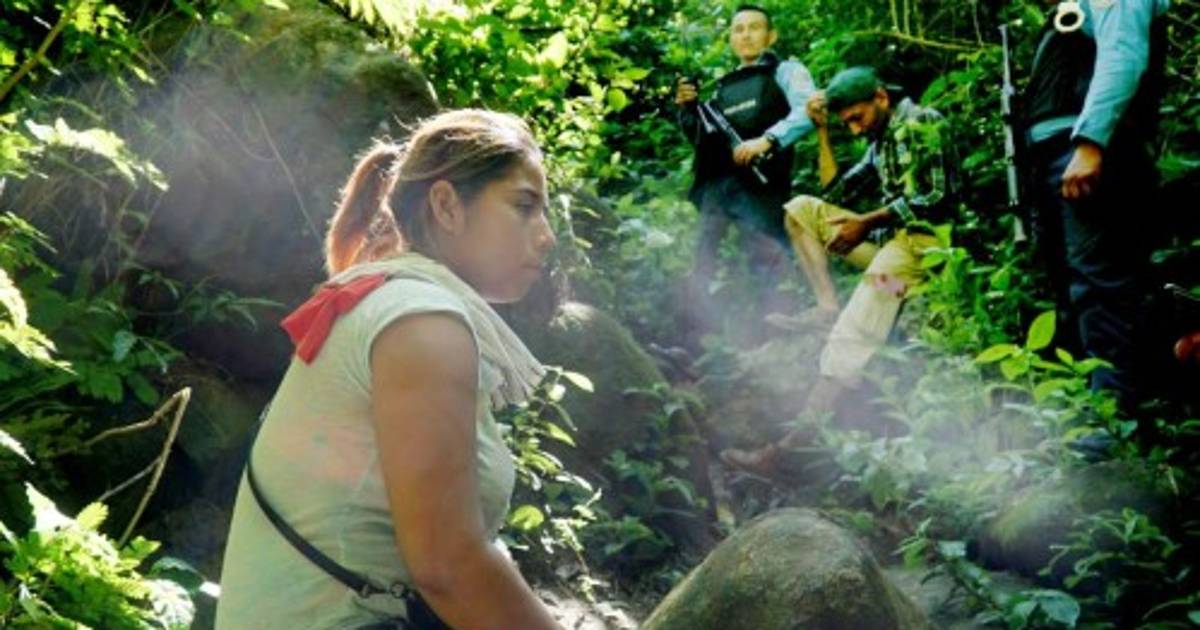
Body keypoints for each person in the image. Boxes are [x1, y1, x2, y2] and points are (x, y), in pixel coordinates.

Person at [216, 110, 562, 629]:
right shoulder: (422, 323)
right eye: (524, 206)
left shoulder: (391, 299)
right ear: (446, 206)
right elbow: (448, 568)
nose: (547, 236)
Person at [722, 66, 956, 474]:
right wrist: (823, 133)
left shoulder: (923, 121)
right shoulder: (879, 142)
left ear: (880, 97)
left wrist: (867, 222)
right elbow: (836, 190)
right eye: (846, 122)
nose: (854, 129)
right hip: (889, 248)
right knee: (801, 209)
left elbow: (938, 198)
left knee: (855, 328)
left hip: (921, 247)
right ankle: (827, 305)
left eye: (857, 118)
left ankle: (794, 445)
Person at [1023, 0, 1169, 408]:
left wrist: (1091, 142)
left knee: (1099, 286)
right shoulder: (1069, 11)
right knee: (1070, 290)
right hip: (1058, 158)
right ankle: (1085, 407)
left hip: (1091, 153)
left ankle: (1111, 414)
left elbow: (1123, 54)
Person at [674, 3, 816, 348]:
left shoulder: (786, 71)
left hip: (761, 185)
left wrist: (768, 140)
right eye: (739, 29)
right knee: (703, 260)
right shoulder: (723, 87)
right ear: (731, 39)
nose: (746, 35)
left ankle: (779, 345)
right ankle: (691, 344)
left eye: (754, 28)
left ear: (771, 35)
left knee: (769, 259)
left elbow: (809, 110)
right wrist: (687, 109)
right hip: (718, 186)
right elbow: (703, 138)